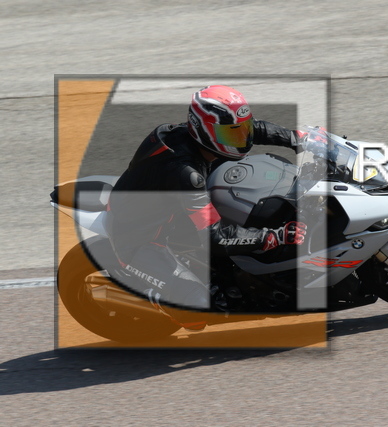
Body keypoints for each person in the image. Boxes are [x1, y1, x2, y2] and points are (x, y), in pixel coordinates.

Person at [106, 85, 307, 329]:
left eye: (240, 130)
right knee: (198, 309)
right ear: (204, 130)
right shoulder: (186, 173)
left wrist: (298, 138)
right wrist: (273, 237)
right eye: (230, 135)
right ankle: (142, 293)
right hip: (141, 236)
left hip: (171, 209)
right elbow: (215, 237)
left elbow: (253, 129)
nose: (241, 139)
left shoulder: (193, 135)